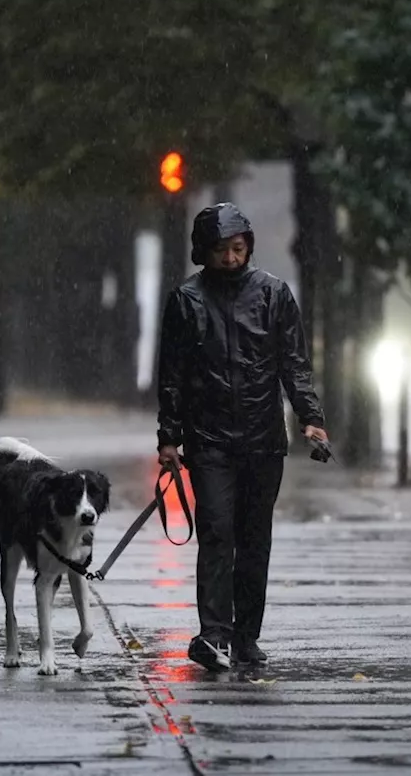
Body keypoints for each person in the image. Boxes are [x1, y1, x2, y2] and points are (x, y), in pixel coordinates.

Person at [155, 202, 327, 671]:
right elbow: (171, 374)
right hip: (208, 439)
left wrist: (311, 417)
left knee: (254, 540)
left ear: (248, 245)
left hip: (263, 440)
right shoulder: (186, 301)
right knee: (215, 534)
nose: (230, 258)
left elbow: (293, 363)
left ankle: (246, 635)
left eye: (237, 248)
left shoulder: (274, 295)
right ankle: (214, 634)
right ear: (203, 252)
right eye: (221, 250)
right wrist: (168, 438)